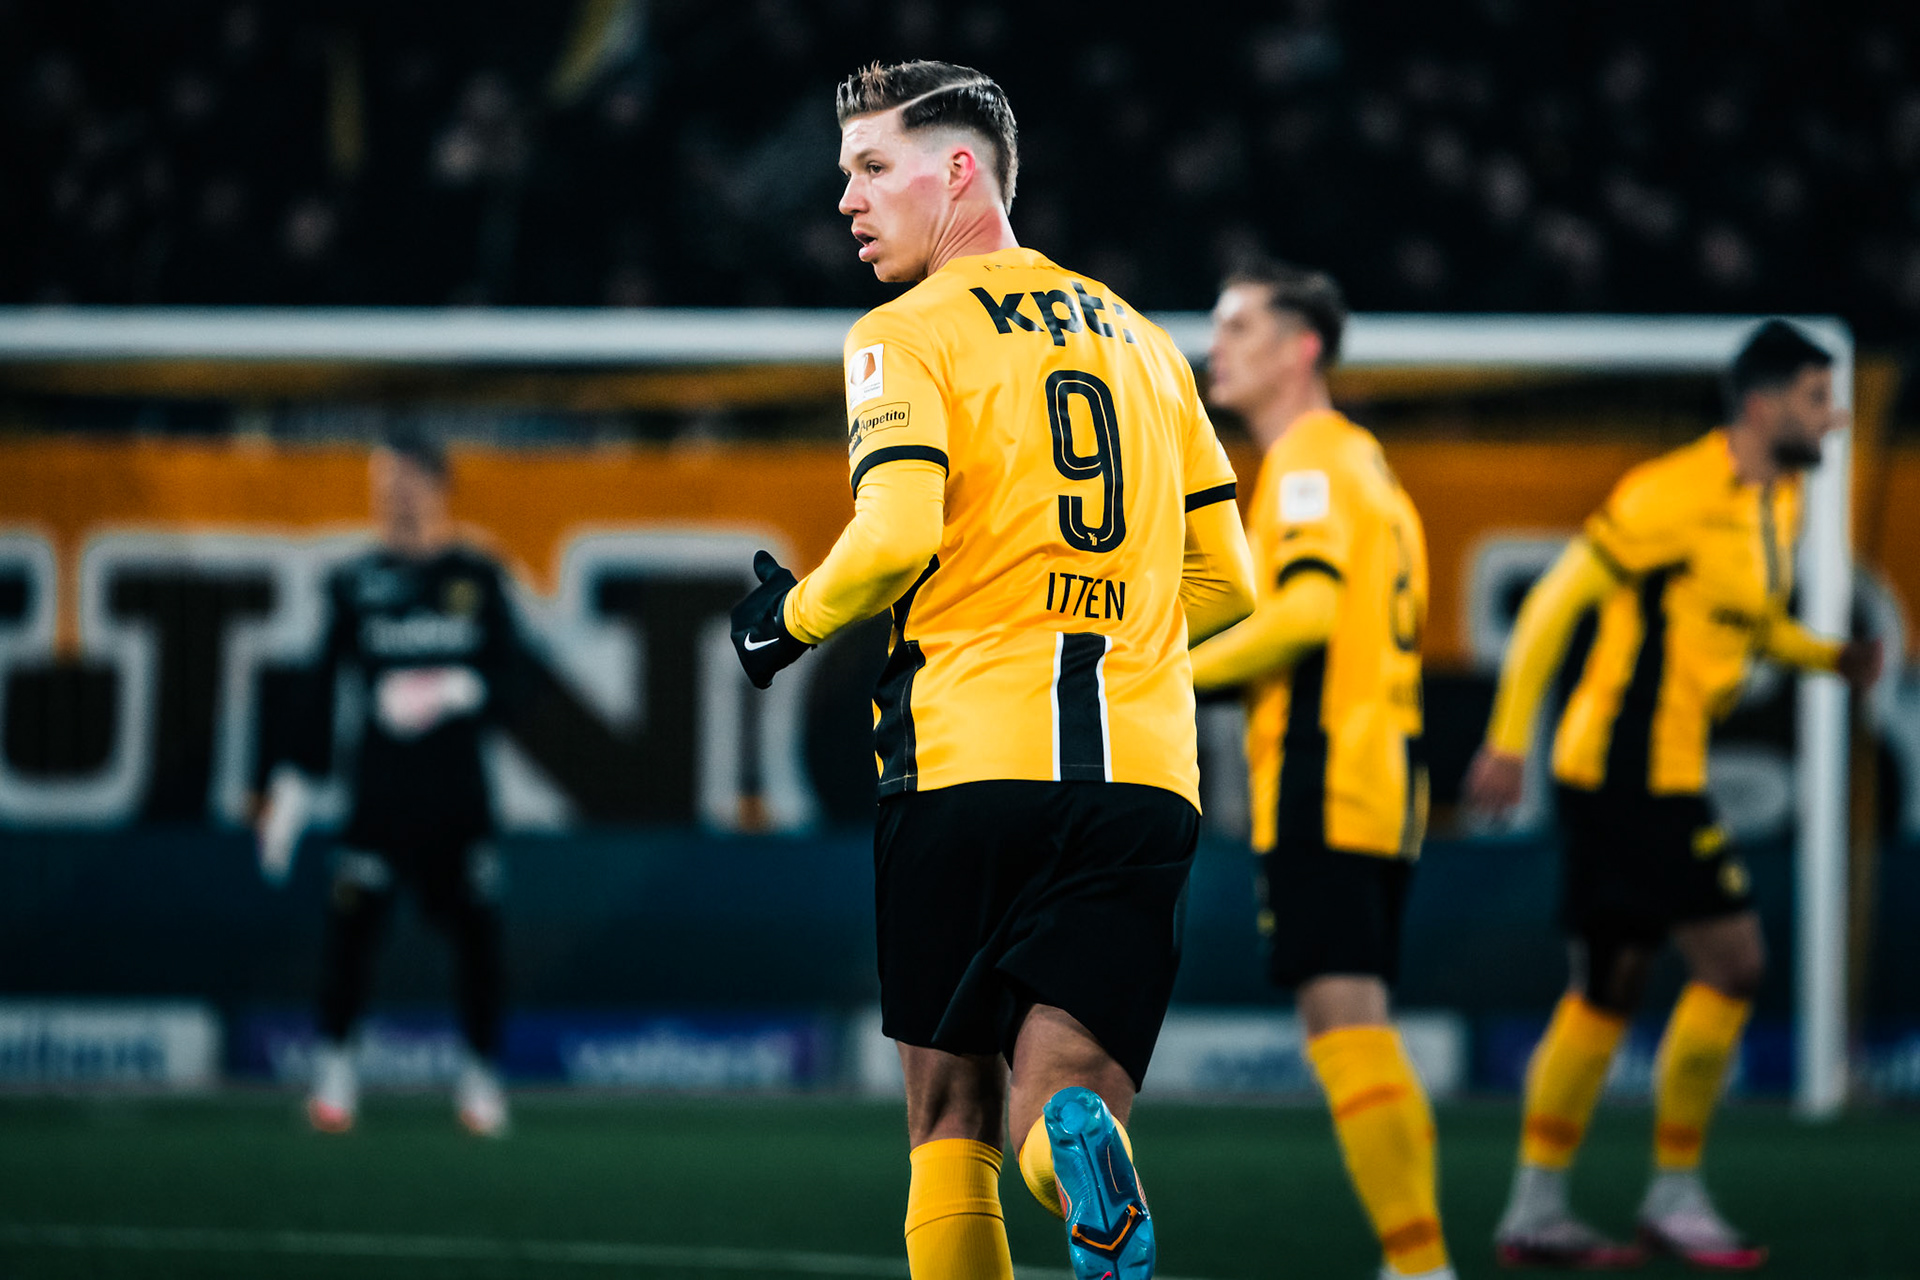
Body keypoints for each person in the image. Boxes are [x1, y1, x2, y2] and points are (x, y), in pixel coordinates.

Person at [729, 60, 1254, 1280]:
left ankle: (1050, 1162)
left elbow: (900, 532)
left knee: (947, 1124)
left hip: (964, 767)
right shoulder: (1145, 341)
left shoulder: (901, 335)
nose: (849, 201)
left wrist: (785, 620)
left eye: (872, 168)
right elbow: (1226, 581)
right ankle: (1076, 1149)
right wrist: (1107, 628)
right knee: (1065, 1097)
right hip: (1140, 784)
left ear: (959, 172)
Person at [1466, 319, 1881, 1269]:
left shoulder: (1774, 504)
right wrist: (1503, 737)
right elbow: (1553, 602)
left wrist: (1827, 658)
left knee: (1606, 993)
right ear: (1766, 403)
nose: (1837, 415)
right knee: (1733, 963)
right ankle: (1674, 1194)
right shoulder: (1669, 494)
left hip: (1650, 774)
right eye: (1820, 398)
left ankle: (1537, 1208)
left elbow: (1746, 625)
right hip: (1622, 775)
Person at [1188, 262, 1453, 1280]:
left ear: (1303, 347)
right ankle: (1415, 1256)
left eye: (1243, 326)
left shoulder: (1308, 460)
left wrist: (1162, 673)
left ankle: (1420, 1262)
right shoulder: (1364, 463)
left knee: (1340, 1018)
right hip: (1379, 772)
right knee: (1361, 1021)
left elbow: (1300, 616)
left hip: (1324, 771)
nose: (1221, 346)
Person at [253, 434, 533, 1138]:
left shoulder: (478, 577)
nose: (391, 499)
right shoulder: (355, 583)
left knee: (476, 940)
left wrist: (459, 685)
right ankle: (335, 1076)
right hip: (376, 801)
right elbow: (320, 691)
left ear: (438, 485)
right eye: (381, 485)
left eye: (404, 482)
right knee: (349, 935)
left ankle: (479, 1078)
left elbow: (520, 684)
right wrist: (289, 791)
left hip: (457, 801)